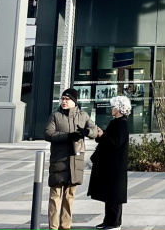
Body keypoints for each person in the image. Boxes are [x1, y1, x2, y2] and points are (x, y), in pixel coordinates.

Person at [44, 88, 98, 230]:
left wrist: (86, 132)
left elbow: (95, 131)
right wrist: (67, 136)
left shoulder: (84, 115)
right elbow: (48, 134)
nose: (64, 102)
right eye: (62, 99)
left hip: (75, 162)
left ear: (74, 101)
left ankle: (65, 226)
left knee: (69, 196)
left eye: (67, 99)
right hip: (58, 161)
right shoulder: (55, 115)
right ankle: (53, 227)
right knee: (55, 196)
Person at [88, 96, 131, 230]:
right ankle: (108, 220)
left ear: (119, 108)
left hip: (115, 165)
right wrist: (102, 135)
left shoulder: (122, 123)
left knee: (114, 195)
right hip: (110, 164)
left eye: (113, 106)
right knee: (109, 194)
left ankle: (115, 222)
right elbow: (111, 139)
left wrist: (103, 135)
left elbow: (115, 142)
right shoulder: (116, 122)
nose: (111, 109)